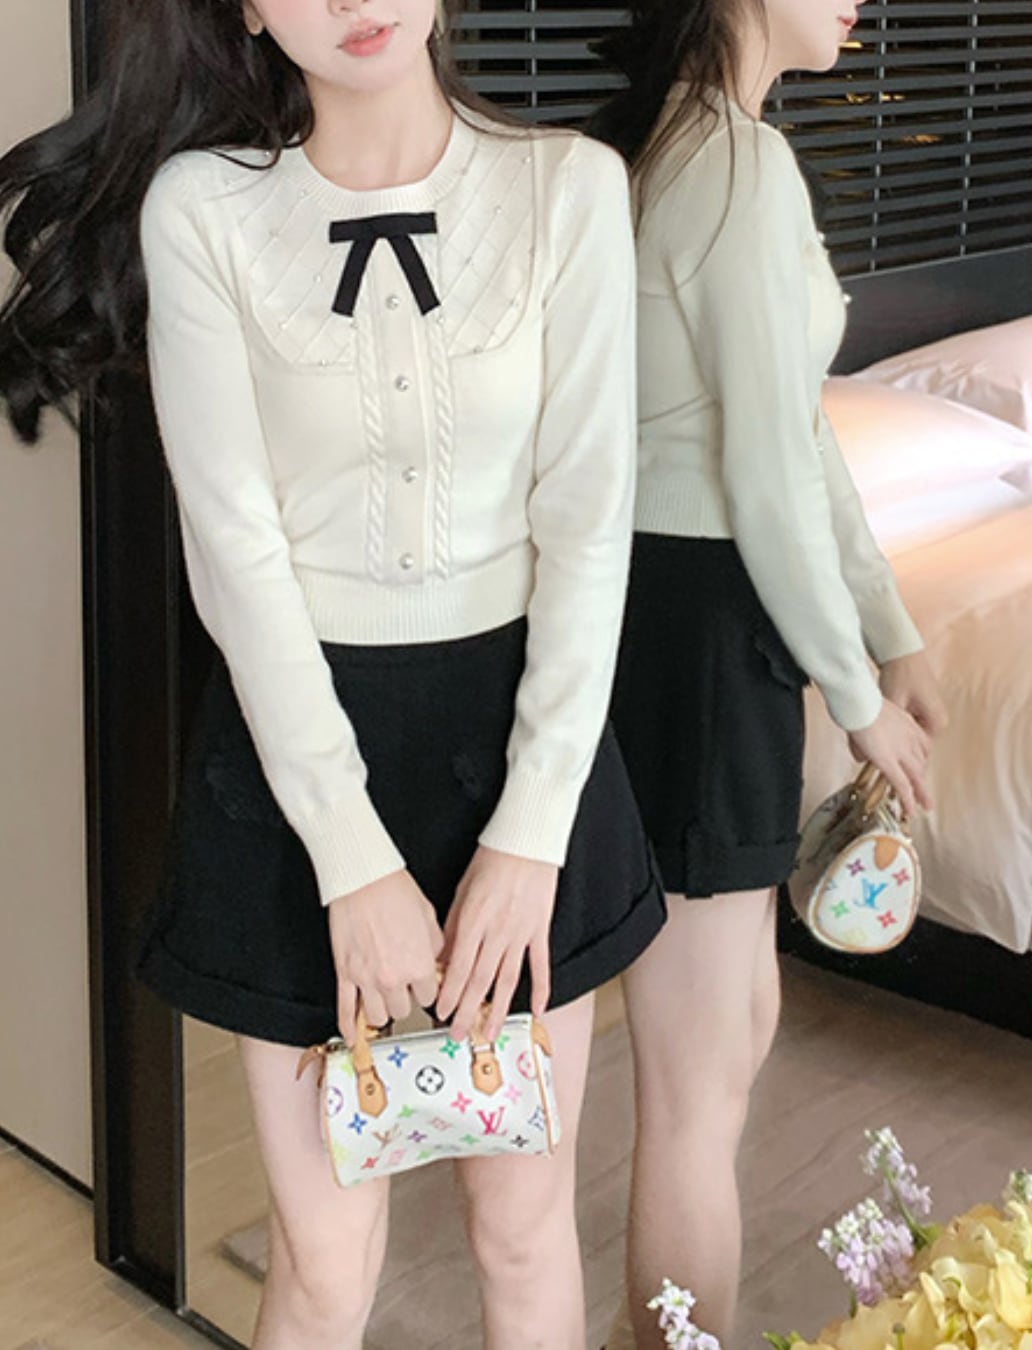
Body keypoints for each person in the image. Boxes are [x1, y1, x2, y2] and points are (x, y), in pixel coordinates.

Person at [0, 2, 666, 1345]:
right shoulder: (205, 210)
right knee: (323, 1252)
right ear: (248, 8)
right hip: (301, 759)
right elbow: (234, 549)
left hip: (522, 744)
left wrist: (530, 837)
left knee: (522, 1228)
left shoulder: (570, 189)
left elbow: (591, 523)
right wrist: (351, 861)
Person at [589, 1, 949, 1344]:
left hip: (698, 616)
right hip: (696, 623)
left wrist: (891, 630)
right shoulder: (732, 166)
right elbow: (765, 475)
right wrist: (857, 697)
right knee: (695, 1081)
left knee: (735, 1025)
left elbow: (798, 439)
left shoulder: (713, 148)